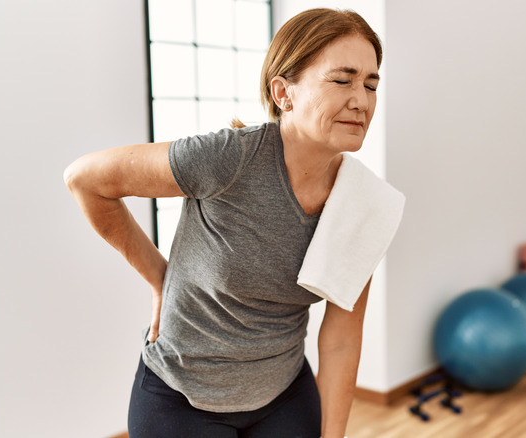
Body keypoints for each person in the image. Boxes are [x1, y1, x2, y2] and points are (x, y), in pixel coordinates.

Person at [64, 8, 388, 438]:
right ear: (283, 92)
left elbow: (342, 337)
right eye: (342, 79)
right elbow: (85, 180)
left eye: (371, 84)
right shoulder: (228, 159)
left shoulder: (364, 202)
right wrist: (160, 278)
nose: (361, 100)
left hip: (284, 395)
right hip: (182, 399)